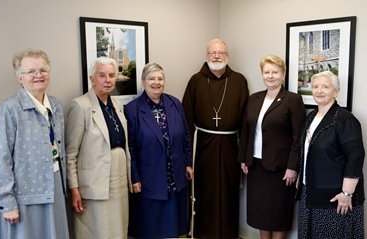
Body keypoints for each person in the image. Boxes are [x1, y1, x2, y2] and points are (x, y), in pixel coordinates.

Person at [0, 49, 69, 239]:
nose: (38, 75)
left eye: (43, 70)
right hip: (25, 194)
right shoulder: (9, 110)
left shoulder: (56, 106)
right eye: (31, 71)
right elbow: (1, 160)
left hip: (55, 189)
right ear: (20, 77)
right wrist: (7, 203)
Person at [182, 39, 249, 238]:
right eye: (212, 53)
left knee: (228, 192)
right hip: (202, 145)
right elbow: (186, 119)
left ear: (227, 56)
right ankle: (203, 233)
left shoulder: (239, 80)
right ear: (206, 55)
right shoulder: (196, 80)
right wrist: (187, 158)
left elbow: (247, 120)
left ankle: (228, 233)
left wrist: (244, 153)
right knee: (205, 192)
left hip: (230, 146)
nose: (216, 56)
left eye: (221, 53)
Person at [239, 54, 305, 239]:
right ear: (262, 74)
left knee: (278, 213)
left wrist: (293, 167)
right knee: (261, 212)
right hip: (257, 166)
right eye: (266, 72)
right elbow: (245, 131)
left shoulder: (292, 100)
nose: (270, 76)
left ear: (282, 74)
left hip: (281, 168)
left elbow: (298, 137)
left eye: (275, 72)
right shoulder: (254, 98)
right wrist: (244, 158)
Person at [125, 63, 193, 238]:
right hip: (149, 177)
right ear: (143, 81)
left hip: (175, 173)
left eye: (160, 78)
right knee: (151, 227)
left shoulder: (175, 103)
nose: (156, 82)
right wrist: (134, 176)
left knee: (175, 226)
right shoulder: (132, 110)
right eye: (151, 78)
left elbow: (186, 136)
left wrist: (188, 163)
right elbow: (130, 148)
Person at [66, 57, 131, 239]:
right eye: (102, 75)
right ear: (92, 79)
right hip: (93, 184)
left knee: (118, 229)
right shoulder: (80, 106)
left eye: (111, 75)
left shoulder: (117, 105)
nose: (108, 80)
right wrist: (75, 190)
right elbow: (71, 154)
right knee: (98, 231)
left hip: (118, 180)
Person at [296, 71, 365, 239]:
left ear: (336, 91)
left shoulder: (345, 119)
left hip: (335, 196)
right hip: (310, 190)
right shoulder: (311, 116)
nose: (319, 91)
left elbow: (355, 157)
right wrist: (301, 174)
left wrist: (347, 194)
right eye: (315, 86)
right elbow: (307, 150)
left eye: (325, 87)